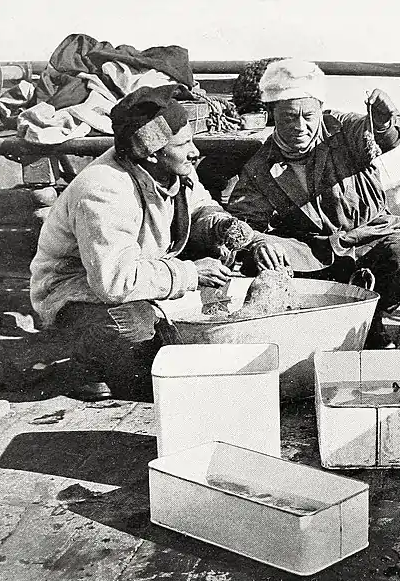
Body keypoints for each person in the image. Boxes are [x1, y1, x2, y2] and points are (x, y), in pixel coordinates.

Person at [30, 84, 259, 400]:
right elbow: (113, 282)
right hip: (75, 292)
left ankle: (139, 353)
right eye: (184, 144)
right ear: (153, 153)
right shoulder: (104, 189)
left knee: (186, 337)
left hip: (136, 279)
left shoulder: (175, 169)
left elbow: (198, 206)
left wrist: (222, 225)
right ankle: (85, 365)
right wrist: (191, 274)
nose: (195, 151)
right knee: (136, 328)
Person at [227, 59, 400, 348]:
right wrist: (259, 243)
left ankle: (372, 319)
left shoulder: (344, 131)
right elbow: (243, 224)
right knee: (264, 264)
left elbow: (382, 137)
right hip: (313, 250)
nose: (299, 126)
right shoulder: (259, 166)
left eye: (308, 115)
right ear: (272, 114)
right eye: (288, 117)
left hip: (373, 235)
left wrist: (384, 119)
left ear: (321, 108)